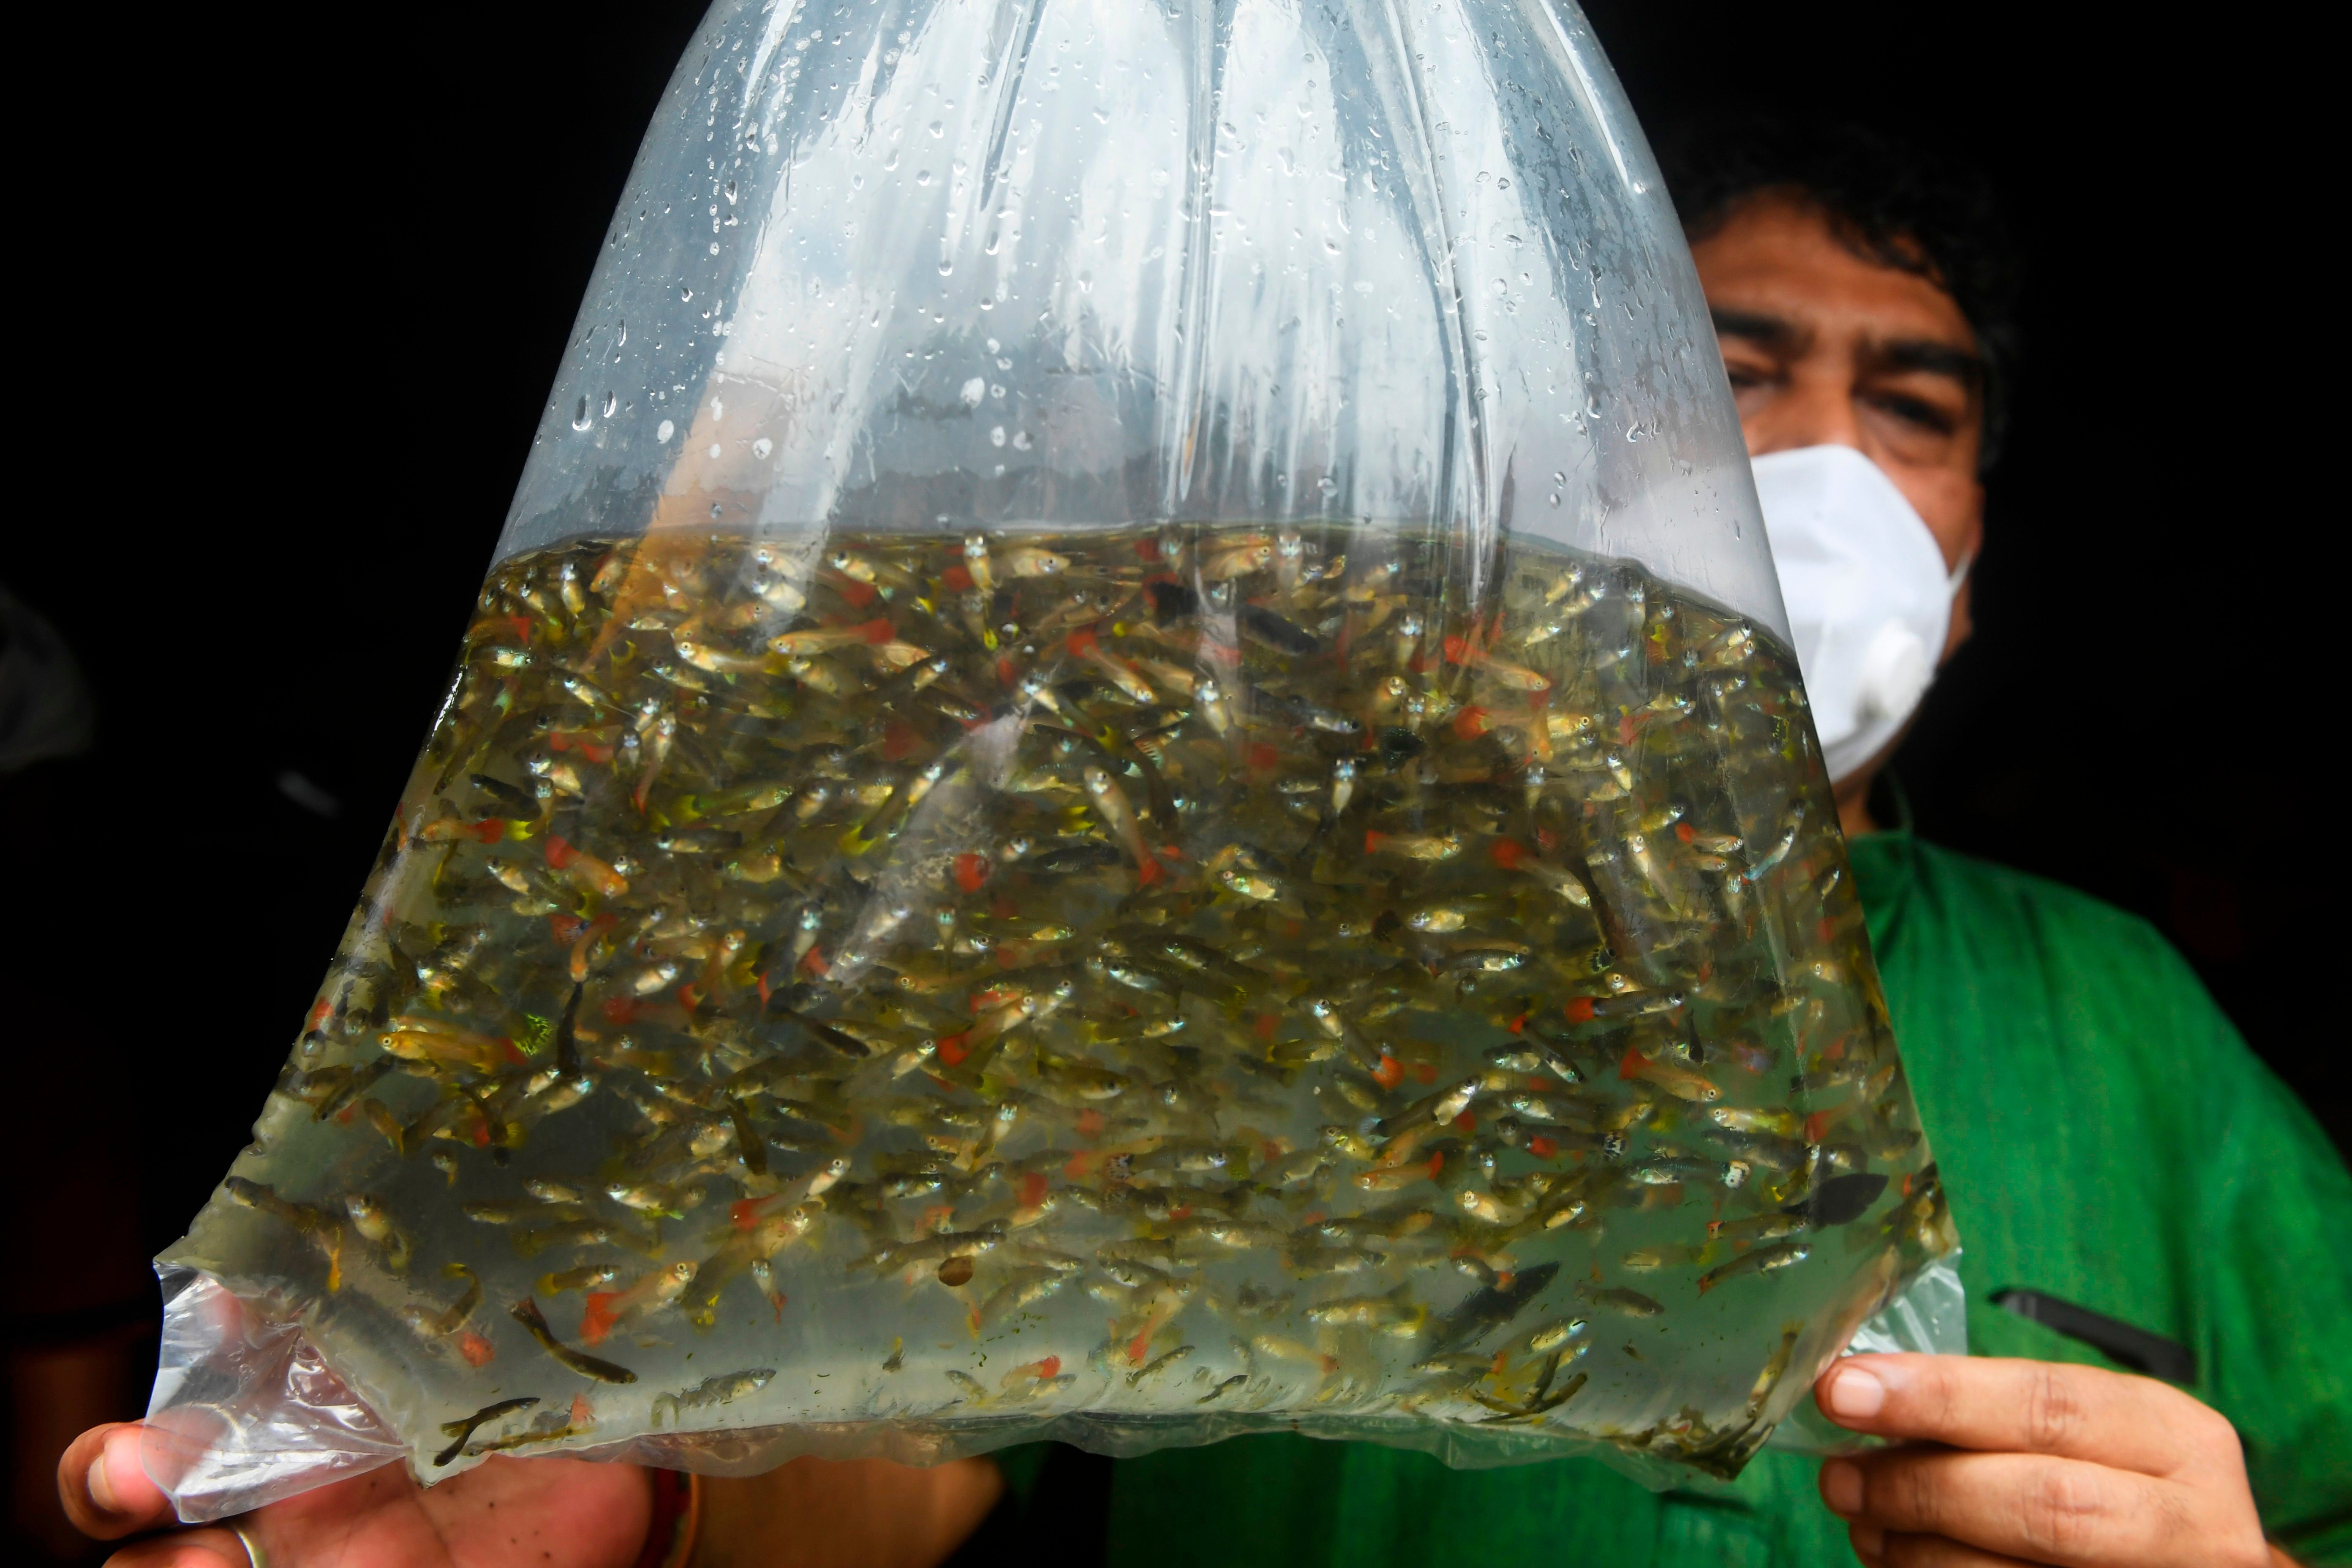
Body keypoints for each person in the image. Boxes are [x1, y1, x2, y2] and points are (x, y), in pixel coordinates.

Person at [59, 121, 2351, 1568]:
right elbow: (923, 1460)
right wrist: (640, 1496)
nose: (1819, 462)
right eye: (1733, 368)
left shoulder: (2126, 1021)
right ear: (1571, 455)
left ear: (1975, 551)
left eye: (1912, 408)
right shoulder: (1231, 922)